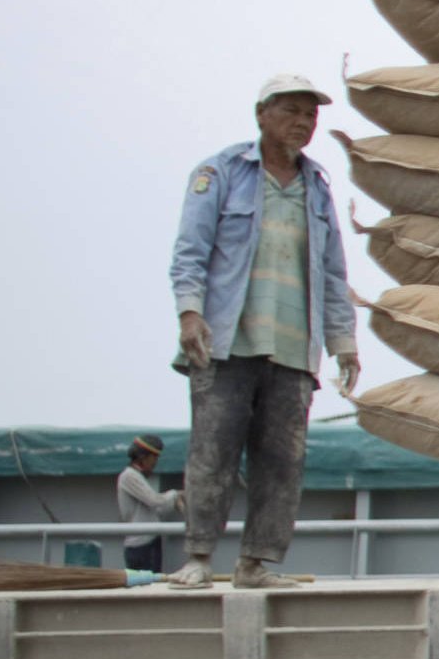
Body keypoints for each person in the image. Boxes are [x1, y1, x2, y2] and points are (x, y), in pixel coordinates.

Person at [166, 75, 359, 590]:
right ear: (261, 115)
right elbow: (190, 252)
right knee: (212, 453)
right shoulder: (221, 172)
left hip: (294, 347)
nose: (303, 122)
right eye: (291, 111)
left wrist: (343, 341)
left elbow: (333, 271)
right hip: (227, 342)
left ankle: (255, 564)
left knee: (282, 462)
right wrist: (189, 313)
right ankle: (199, 558)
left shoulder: (317, 187)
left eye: (310, 115)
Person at [114, 434, 181, 573]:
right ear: (143, 457)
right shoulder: (129, 476)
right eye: (154, 457)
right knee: (146, 584)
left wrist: (173, 502)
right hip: (140, 545)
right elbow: (154, 500)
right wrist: (175, 494)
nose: (155, 462)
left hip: (150, 540)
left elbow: (155, 509)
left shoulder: (137, 476)